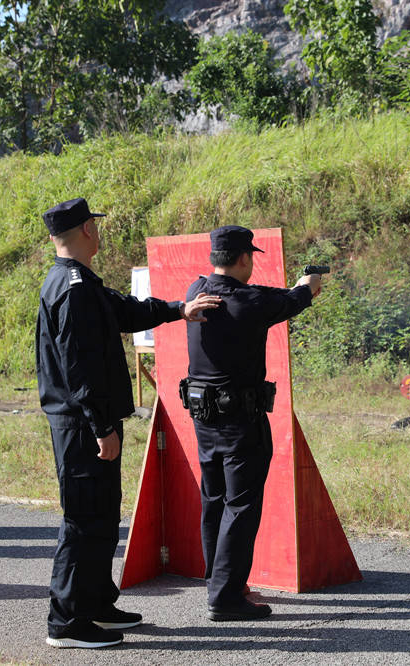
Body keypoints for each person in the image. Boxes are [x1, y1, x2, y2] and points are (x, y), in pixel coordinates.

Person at [36, 198, 220, 649]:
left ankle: (96, 602)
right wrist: (100, 426)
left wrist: (180, 309)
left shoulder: (79, 282)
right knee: (82, 519)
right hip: (82, 424)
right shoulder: (72, 288)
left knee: (101, 515)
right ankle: (65, 623)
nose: (99, 232)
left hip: (87, 420)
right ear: (85, 230)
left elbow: (127, 311)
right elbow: (77, 366)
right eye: (94, 226)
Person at [182, 225, 321, 621]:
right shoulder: (247, 300)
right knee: (240, 506)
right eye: (251, 258)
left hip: (204, 417)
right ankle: (225, 598)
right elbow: (288, 300)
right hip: (240, 421)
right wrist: (308, 285)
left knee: (214, 501)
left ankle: (221, 582)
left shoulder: (196, 293)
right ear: (244, 258)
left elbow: (268, 299)